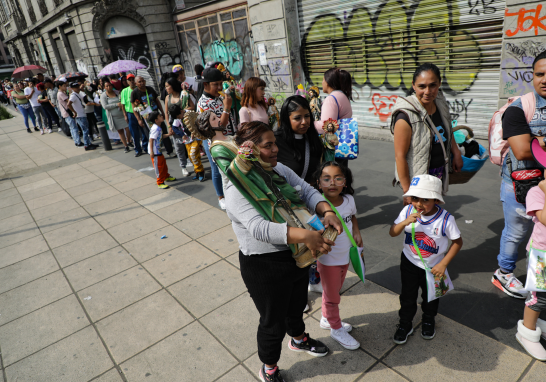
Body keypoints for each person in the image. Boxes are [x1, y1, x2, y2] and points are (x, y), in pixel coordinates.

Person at [211, 122, 343, 382]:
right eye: (267, 145)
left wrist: (327, 211)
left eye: (275, 143)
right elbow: (258, 228)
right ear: (248, 150)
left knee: (296, 306)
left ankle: (298, 338)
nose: (275, 149)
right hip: (264, 265)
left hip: (297, 253)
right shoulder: (236, 184)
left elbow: (305, 190)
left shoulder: (277, 169)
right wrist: (308, 235)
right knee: (273, 321)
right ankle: (269, 367)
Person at [493, 52, 546, 299]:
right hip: (521, 184)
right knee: (517, 231)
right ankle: (504, 272)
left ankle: (539, 283)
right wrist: (536, 142)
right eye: (539, 74)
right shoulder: (518, 109)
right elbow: (523, 149)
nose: (544, 80)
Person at [389, 175, 462, 344]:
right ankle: (405, 324)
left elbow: (458, 242)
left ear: (436, 200)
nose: (419, 204)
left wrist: (443, 264)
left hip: (434, 267)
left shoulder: (446, 219)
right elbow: (392, 232)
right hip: (409, 262)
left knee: (431, 297)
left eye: (425, 199)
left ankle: (429, 320)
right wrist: (404, 222)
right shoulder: (407, 211)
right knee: (407, 296)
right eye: (415, 198)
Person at [391, 63, 463, 204]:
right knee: (418, 219)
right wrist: (407, 192)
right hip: (418, 176)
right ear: (413, 85)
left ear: (439, 84)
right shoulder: (405, 116)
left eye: (433, 85)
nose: (428, 91)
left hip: (439, 172)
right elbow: (400, 157)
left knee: (433, 212)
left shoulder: (440, 102)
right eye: (422, 86)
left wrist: (456, 152)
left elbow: (447, 128)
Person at [313, 161, 362, 350]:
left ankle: (326, 317)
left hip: (345, 255)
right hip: (327, 260)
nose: (332, 183)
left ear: (345, 182)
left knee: (334, 289)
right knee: (333, 296)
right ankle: (335, 328)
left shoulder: (349, 199)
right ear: (319, 184)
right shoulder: (317, 207)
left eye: (337, 178)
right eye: (326, 179)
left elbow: (353, 217)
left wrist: (357, 233)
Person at [197, 67, 236, 209]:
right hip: (217, 142)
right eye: (216, 84)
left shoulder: (219, 97)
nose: (220, 87)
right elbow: (219, 126)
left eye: (221, 83)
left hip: (229, 139)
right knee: (219, 171)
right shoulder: (203, 103)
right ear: (205, 85)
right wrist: (227, 107)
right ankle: (222, 197)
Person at [516, 178, 546, 360]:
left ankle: (537, 322)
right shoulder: (536, 192)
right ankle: (527, 332)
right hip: (541, 256)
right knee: (539, 297)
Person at [276, 95, 324, 184]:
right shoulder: (275, 142)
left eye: (307, 116)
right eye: (297, 118)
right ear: (287, 119)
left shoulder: (314, 140)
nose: (304, 122)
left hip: (310, 195)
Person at [131, 75, 173, 155]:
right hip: (146, 118)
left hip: (156, 115)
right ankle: (155, 152)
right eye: (139, 82)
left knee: (163, 130)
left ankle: (169, 151)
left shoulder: (150, 89)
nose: (142, 83)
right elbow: (134, 108)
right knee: (152, 135)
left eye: (143, 81)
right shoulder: (134, 93)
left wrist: (162, 112)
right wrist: (139, 119)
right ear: (136, 83)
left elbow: (157, 101)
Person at [169, 104, 205, 181]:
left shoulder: (190, 113)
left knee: (193, 154)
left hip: (196, 138)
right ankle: (197, 172)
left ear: (181, 111)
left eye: (179, 117)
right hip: (188, 140)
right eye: (177, 118)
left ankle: (201, 171)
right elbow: (174, 128)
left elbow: (198, 121)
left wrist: (193, 131)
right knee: (191, 156)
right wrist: (182, 134)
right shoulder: (178, 118)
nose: (179, 118)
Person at [148, 111, 176, 189]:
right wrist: (151, 151)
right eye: (160, 116)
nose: (162, 116)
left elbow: (160, 136)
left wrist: (168, 135)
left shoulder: (158, 127)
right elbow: (151, 139)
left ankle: (166, 176)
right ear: (156, 120)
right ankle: (160, 182)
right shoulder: (155, 128)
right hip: (155, 152)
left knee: (163, 164)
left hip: (158, 150)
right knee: (159, 167)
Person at [101, 81, 132, 153]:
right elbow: (105, 106)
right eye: (107, 86)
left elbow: (123, 100)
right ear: (104, 87)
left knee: (128, 128)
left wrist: (122, 104)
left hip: (122, 114)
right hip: (114, 117)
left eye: (110, 85)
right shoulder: (103, 95)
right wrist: (116, 105)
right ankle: (126, 146)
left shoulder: (117, 92)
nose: (109, 87)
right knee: (120, 131)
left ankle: (128, 141)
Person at [121, 74, 147, 157]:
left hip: (141, 112)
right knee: (134, 133)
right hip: (131, 114)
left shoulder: (139, 89)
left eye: (133, 79)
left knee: (144, 131)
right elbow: (123, 104)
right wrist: (125, 115)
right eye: (130, 80)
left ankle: (146, 147)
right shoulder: (124, 91)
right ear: (127, 82)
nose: (131, 81)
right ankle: (138, 149)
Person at [66, 82, 96, 150]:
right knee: (85, 130)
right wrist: (74, 112)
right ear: (72, 88)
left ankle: (89, 143)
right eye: (75, 87)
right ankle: (86, 145)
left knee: (87, 129)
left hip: (82, 114)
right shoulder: (73, 95)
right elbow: (68, 104)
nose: (77, 88)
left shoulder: (78, 94)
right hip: (79, 115)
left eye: (78, 86)